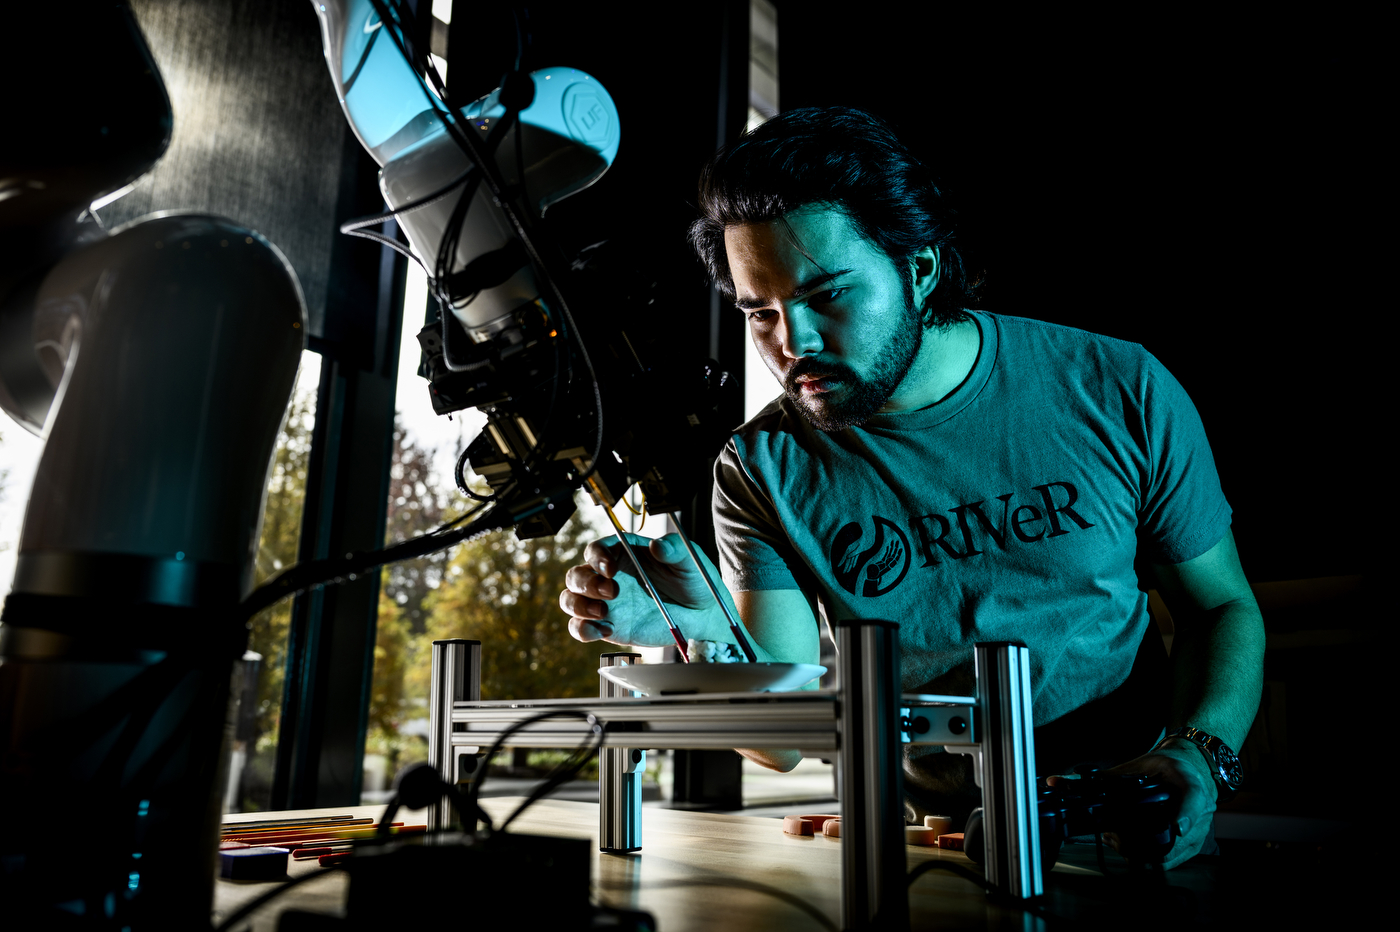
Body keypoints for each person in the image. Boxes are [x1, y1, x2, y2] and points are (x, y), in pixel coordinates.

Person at [557, 107, 1264, 869]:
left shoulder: (1119, 387)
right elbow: (783, 739)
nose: (794, 345)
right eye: (762, 313)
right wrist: (693, 632)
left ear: (920, 269)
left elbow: (1219, 606)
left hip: (1124, 813)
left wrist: (1198, 754)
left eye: (828, 296)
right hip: (929, 840)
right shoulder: (761, 466)